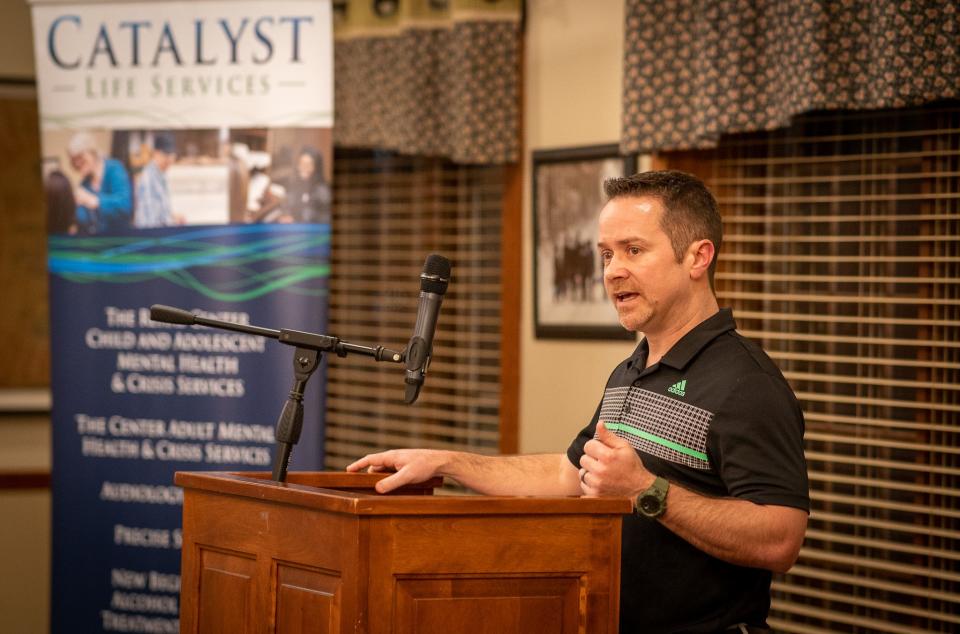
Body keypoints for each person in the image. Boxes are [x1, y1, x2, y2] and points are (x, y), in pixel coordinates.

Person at [347, 170, 809, 633]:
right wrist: (447, 463)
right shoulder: (631, 369)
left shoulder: (746, 382)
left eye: (634, 250)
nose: (612, 270)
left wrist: (646, 491)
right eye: (606, 254)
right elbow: (571, 474)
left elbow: (781, 538)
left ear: (697, 257)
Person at [67, 132, 132, 233]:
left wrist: (94, 201)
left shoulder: (114, 169)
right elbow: (82, 220)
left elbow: (124, 207)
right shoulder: (84, 184)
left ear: (92, 153)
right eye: (73, 160)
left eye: (80, 157)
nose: (77, 163)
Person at [134, 132, 180, 228]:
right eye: (166, 154)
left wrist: (173, 217)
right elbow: (149, 221)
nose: (169, 159)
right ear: (155, 153)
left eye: (171, 155)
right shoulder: (149, 178)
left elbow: (161, 211)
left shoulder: (160, 175)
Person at [279, 147, 332, 224]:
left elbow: (326, 217)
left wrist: (298, 218)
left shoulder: (322, 190)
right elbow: (286, 205)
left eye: (308, 164)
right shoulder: (292, 183)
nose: (304, 167)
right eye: (301, 163)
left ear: (316, 167)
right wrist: (285, 215)